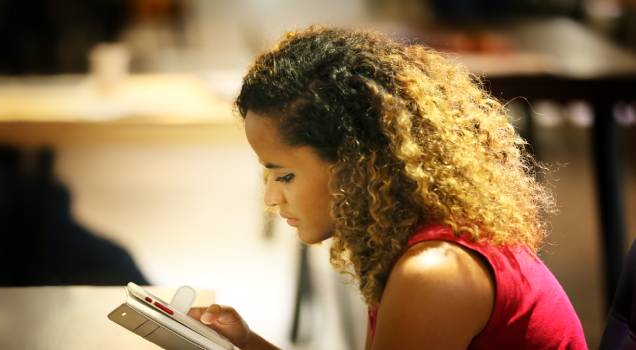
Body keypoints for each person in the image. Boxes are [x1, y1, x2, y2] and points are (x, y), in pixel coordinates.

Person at [188, 26, 588, 349]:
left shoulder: (433, 274)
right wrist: (244, 343)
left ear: (354, 165)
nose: (271, 198)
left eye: (284, 175)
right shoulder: (407, 243)